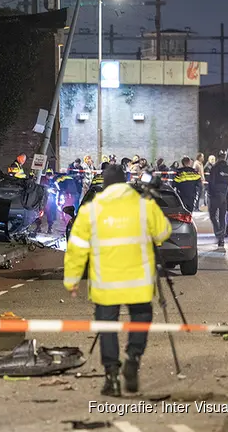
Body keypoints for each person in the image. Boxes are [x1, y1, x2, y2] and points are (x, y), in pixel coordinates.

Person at [63, 165, 172, 397]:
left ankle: (111, 376)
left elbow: (76, 248)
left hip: (106, 285)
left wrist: (72, 280)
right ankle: (133, 358)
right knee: (140, 320)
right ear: (125, 183)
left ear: (105, 186)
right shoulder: (143, 205)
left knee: (107, 328)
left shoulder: (91, 210)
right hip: (138, 284)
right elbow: (163, 233)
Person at [208, 151, 228, 247]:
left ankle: (218, 233)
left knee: (213, 216)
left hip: (215, 196)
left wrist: (211, 194)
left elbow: (211, 182)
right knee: (222, 217)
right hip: (225, 197)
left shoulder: (214, 168)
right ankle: (221, 238)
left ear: (218, 158)